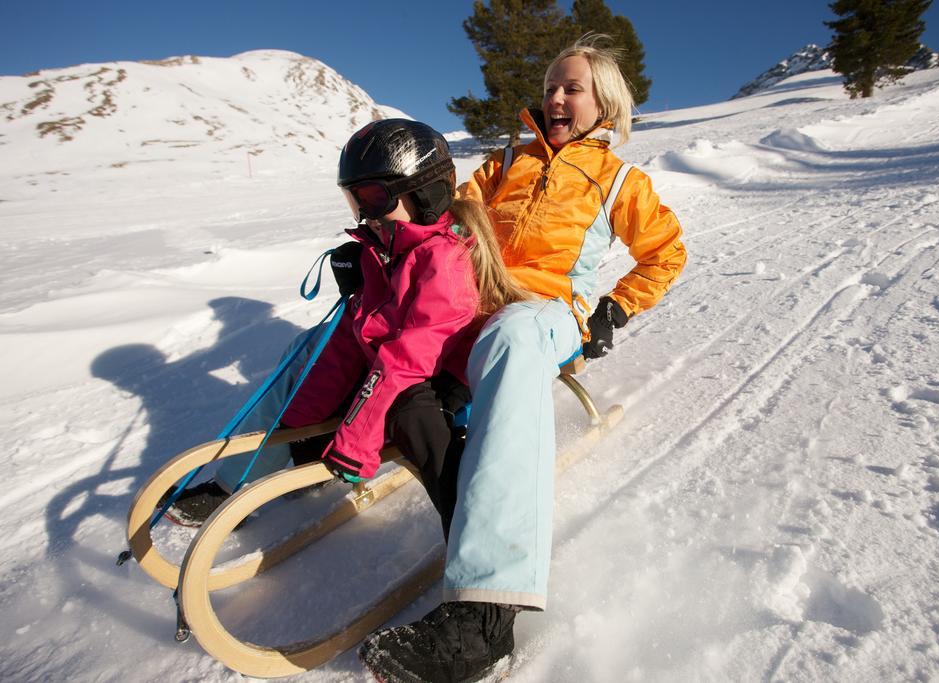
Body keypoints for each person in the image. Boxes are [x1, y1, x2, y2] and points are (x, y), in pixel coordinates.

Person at [358, 35, 687, 683]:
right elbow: (445, 217)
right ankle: (294, 457)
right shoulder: (506, 161)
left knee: (510, 332)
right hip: (474, 306)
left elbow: (666, 253)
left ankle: (486, 618)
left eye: (572, 88)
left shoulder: (619, 179)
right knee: (382, 333)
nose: (556, 97)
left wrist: (612, 310)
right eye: (550, 87)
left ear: (605, 102)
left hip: (542, 316)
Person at [164, 119, 526, 539]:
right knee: (307, 354)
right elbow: (352, 341)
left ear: (425, 194)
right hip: (396, 369)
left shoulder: (442, 261)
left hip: (441, 377)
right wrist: (300, 425)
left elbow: (408, 359)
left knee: (414, 412)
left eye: (374, 198)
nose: (365, 215)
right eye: (355, 201)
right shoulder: (385, 250)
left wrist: (356, 442)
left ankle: (474, 531)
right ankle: (237, 482)